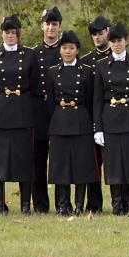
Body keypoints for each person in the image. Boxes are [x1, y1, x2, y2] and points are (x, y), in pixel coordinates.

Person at [92, 23, 129, 215]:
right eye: (114, 41)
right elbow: (97, 99)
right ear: (109, 43)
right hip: (110, 119)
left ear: (127, 41)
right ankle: (117, 204)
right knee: (114, 164)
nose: (117, 45)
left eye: (120, 41)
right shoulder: (101, 66)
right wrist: (97, 128)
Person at [0, 15, 37, 214]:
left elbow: (35, 86)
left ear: (18, 34)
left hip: (21, 111)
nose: (10, 36)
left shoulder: (30, 55)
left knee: (24, 161)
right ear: (2, 33)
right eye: (7, 32)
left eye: (14, 33)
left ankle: (25, 204)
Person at [45, 31, 98, 216]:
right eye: (64, 48)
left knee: (81, 166)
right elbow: (50, 103)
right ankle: (62, 205)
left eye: (71, 48)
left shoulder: (87, 71)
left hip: (80, 121)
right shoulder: (52, 72)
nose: (67, 51)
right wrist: (52, 124)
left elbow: (91, 101)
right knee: (60, 166)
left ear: (77, 50)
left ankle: (79, 205)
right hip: (59, 121)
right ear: (60, 50)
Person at [30, 6, 63, 214]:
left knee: (60, 161)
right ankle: (40, 204)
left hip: (60, 111)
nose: (51, 28)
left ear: (59, 26)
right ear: (42, 26)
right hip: (39, 111)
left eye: (54, 24)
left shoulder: (67, 50)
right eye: (47, 24)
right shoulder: (33, 53)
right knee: (38, 161)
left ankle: (62, 203)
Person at [77, 15, 111, 213]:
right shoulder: (86, 61)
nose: (97, 38)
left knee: (115, 165)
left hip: (114, 119)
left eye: (100, 33)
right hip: (91, 120)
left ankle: (120, 202)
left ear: (108, 31)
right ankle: (94, 204)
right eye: (94, 35)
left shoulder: (116, 57)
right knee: (93, 166)